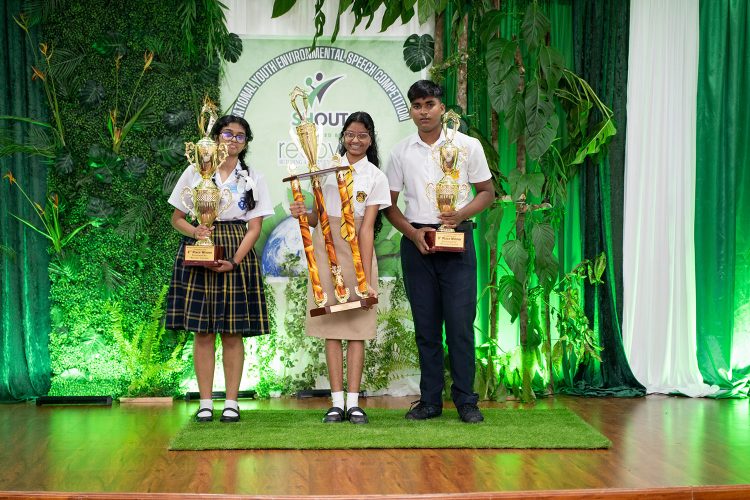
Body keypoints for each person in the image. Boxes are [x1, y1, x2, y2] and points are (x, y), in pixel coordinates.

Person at [384, 80, 494, 423]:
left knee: (460, 325)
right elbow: (389, 205)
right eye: (417, 106)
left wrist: (459, 214)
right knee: (426, 328)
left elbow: (487, 192)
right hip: (417, 244)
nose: (423, 112)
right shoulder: (400, 152)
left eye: (429, 104)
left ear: (442, 107)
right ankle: (430, 401)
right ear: (411, 111)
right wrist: (413, 234)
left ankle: (466, 401)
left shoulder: (467, 145)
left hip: (457, 241)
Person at [166, 115, 273, 423]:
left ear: (246, 143)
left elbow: (255, 227)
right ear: (215, 137)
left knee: (231, 332)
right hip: (201, 247)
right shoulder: (194, 171)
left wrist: (235, 260)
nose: (233, 140)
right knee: (202, 331)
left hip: (237, 248)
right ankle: (204, 401)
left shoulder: (252, 176)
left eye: (240, 136)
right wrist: (196, 232)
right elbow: (177, 218)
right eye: (228, 133)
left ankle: (231, 401)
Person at [289, 111, 390, 424]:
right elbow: (317, 219)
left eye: (362, 135)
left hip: (358, 249)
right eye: (350, 134)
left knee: (356, 331)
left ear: (371, 140)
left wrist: (365, 276)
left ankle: (354, 402)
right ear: (343, 136)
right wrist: (300, 213)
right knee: (332, 330)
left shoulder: (376, 176)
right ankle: (335, 402)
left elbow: (368, 227)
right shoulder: (325, 170)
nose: (355, 140)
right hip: (325, 249)